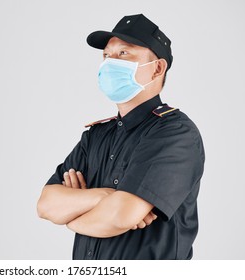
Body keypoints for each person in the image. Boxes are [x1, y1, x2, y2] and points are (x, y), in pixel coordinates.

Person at [37, 14, 205, 260]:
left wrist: (70, 217)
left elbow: (119, 217)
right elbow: (46, 205)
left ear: (157, 68)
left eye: (124, 54)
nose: (109, 63)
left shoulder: (175, 133)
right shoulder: (96, 136)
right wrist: (104, 196)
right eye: (107, 55)